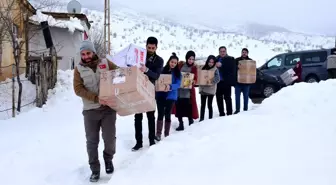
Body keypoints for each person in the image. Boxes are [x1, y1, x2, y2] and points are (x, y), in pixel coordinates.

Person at [73, 40, 118, 182]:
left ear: (93, 52)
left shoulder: (105, 63)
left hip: (108, 109)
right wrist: (96, 98)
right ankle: (95, 169)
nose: (86, 56)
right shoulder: (78, 69)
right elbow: (78, 89)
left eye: (88, 53)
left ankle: (108, 159)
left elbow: (120, 74)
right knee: (92, 142)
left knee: (110, 139)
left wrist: (135, 73)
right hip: (90, 111)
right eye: (83, 54)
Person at [132, 36, 164, 151]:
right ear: (145, 46)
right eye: (149, 47)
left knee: (151, 116)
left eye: (153, 48)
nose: (150, 49)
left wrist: (146, 70)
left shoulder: (159, 60)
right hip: (137, 89)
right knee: (137, 117)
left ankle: (151, 140)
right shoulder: (139, 56)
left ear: (156, 47)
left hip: (150, 89)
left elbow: (156, 75)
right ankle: (138, 142)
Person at [155, 52, 182, 141]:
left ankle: (166, 134)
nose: (173, 64)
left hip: (171, 96)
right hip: (160, 95)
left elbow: (178, 84)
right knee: (160, 114)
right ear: (169, 61)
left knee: (167, 114)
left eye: (175, 62)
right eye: (172, 62)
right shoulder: (162, 70)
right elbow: (157, 80)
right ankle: (158, 134)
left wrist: (170, 86)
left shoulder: (178, 73)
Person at [172, 50, 199, 131]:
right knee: (179, 107)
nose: (191, 61)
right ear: (187, 58)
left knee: (188, 107)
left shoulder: (194, 68)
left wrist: (194, 81)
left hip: (188, 92)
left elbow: (195, 78)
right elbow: (175, 71)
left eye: (192, 59)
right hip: (179, 90)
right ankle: (181, 124)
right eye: (189, 59)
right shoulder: (181, 65)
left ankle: (190, 122)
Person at [198, 55, 220, 121]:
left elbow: (218, 78)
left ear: (214, 63)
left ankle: (210, 118)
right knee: (202, 105)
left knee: (209, 104)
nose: (210, 63)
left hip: (211, 89)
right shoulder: (203, 68)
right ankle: (201, 118)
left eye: (212, 62)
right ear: (207, 61)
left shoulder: (215, 69)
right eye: (209, 62)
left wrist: (211, 81)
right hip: (203, 89)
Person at [215, 46, 236, 116]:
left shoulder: (230, 59)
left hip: (226, 82)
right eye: (221, 51)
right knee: (218, 98)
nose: (222, 53)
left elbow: (231, 68)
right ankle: (221, 113)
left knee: (227, 98)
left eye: (224, 51)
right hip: (218, 82)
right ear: (219, 52)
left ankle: (229, 113)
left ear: (226, 51)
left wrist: (222, 65)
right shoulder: (216, 59)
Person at [234, 48, 253, 114]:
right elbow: (233, 70)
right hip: (238, 82)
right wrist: (237, 67)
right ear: (241, 53)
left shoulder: (250, 61)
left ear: (247, 53)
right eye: (243, 52)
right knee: (237, 97)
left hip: (247, 83)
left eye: (245, 52)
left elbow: (252, 72)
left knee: (246, 97)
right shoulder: (237, 60)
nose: (244, 53)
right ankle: (237, 110)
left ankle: (245, 109)